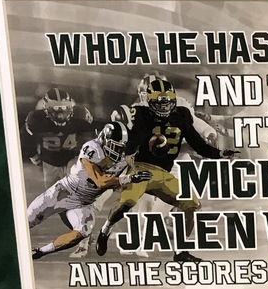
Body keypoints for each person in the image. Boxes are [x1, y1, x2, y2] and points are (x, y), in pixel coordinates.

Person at [94, 77, 237, 263]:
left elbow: (198, 129)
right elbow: (127, 139)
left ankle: (173, 248)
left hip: (176, 160)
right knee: (135, 202)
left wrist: (213, 142)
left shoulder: (181, 109)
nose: (164, 107)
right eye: (158, 103)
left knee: (189, 204)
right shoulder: (138, 112)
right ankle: (109, 230)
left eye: (167, 102)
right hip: (146, 164)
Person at [28, 121, 151, 259]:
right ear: (104, 140)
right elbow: (100, 181)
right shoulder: (92, 148)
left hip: (84, 203)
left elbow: (126, 178)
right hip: (64, 192)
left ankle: (40, 252)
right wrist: (129, 178)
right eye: (114, 146)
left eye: (120, 148)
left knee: (83, 231)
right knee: (29, 219)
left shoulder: (124, 157)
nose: (117, 151)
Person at [25, 87, 95, 189]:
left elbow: (92, 134)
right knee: (53, 193)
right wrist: (33, 155)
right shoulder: (37, 119)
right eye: (56, 108)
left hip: (73, 157)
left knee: (75, 190)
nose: (61, 114)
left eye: (65, 107)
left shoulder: (80, 115)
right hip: (50, 161)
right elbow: (26, 138)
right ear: (45, 109)